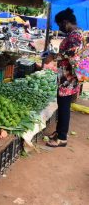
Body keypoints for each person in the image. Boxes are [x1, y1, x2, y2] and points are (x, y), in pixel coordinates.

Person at [44, 8, 83, 147]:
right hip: (66, 77)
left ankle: (61, 138)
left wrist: (54, 56)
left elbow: (71, 54)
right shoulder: (75, 34)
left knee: (64, 107)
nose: (60, 28)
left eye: (60, 25)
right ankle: (59, 131)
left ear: (66, 22)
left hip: (68, 78)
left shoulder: (75, 36)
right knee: (62, 105)